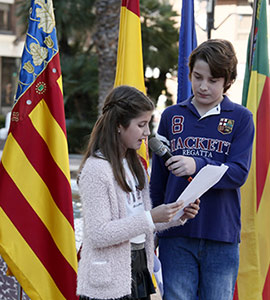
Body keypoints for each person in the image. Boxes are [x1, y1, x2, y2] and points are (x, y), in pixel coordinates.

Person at [150, 39, 255, 300]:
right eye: (197, 77)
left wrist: (197, 164)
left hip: (221, 234)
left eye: (213, 80)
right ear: (189, 74)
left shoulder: (241, 118)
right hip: (175, 234)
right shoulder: (171, 116)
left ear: (227, 81)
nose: (203, 86)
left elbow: (238, 173)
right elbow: (158, 180)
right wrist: (151, 226)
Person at [76, 85, 200, 300]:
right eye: (141, 125)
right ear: (118, 125)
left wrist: (178, 215)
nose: (147, 133)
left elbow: (141, 225)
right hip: (108, 281)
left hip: (138, 268)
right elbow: (99, 233)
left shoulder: (136, 167)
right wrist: (150, 217)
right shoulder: (96, 170)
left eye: (148, 124)